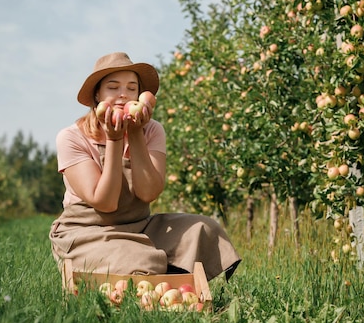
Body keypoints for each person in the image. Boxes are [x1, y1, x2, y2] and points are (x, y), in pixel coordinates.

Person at [49, 52, 241, 281]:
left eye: (132, 88)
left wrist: (135, 133)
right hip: (88, 233)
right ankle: (153, 274)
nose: (123, 95)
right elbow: (105, 202)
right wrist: (114, 140)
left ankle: (166, 282)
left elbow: (148, 192)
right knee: (140, 258)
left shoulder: (152, 130)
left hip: (139, 226)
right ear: (97, 95)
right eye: (113, 87)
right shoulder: (72, 137)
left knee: (204, 229)